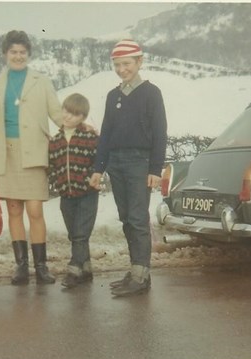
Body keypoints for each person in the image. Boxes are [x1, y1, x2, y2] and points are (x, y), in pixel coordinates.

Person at [0, 30, 63, 285]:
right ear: (5, 54)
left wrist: (77, 127)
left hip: (35, 151)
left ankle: (41, 266)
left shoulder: (42, 81)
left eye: (22, 52)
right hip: (5, 152)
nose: (18, 56)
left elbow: (57, 113)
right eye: (13, 52)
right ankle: (21, 266)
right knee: (14, 209)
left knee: (35, 209)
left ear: (28, 54)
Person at [89, 39, 167, 297]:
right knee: (126, 218)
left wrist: (155, 169)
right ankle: (135, 269)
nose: (122, 69)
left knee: (137, 218)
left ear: (139, 62)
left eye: (127, 64)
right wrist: (99, 167)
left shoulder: (151, 93)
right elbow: (106, 135)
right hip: (117, 163)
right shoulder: (113, 96)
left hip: (139, 162)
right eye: (117, 65)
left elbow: (160, 132)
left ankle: (141, 274)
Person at [48, 93, 99, 288]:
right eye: (66, 111)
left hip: (87, 194)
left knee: (80, 233)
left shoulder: (90, 136)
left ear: (83, 118)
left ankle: (75, 268)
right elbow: (52, 164)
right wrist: (56, 181)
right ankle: (86, 268)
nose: (69, 117)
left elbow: (99, 159)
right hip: (66, 195)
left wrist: (93, 176)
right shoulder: (56, 140)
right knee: (74, 233)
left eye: (75, 114)